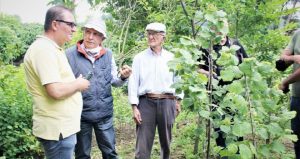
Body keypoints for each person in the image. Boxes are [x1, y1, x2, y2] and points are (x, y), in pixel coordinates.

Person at [23, 5, 90, 159]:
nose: (74, 29)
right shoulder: (44, 50)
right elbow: (55, 90)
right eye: (70, 24)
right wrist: (79, 84)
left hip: (62, 128)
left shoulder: (52, 49)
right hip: (57, 129)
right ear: (55, 24)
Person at [65, 16, 132, 159]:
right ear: (83, 33)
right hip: (80, 114)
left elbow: (114, 81)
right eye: (88, 32)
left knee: (110, 153)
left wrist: (123, 77)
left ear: (102, 38)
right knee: (82, 154)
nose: (90, 37)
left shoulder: (108, 55)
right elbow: (64, 84)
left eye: (95, 34)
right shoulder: (70, 55)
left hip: (104, 114)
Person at [128, 22, 182, 159]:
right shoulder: (139, 58)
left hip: (168, 102)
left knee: (166, 142)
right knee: (142, 146)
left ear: (163, 37)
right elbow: (133, 83)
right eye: (149, 34)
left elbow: (179, 81)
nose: (151, 37)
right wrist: (134, 107)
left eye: (155, 34)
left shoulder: (173, 58)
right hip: (146, 103)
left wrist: (178, 101)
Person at [198, 20, 248, 158]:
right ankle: (224, 156)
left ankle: (237, 155)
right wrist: (209, 73)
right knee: (220, 130)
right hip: (216, 96)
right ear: (212, 28)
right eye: (216, 26)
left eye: (223, 25)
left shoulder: (235, 44)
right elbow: (197, 68)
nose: (220, 29)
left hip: (235, 95)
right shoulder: (207, 47)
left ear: (228, 27)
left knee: (237, 128)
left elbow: (247, 65)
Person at [279, 29, 300, 159]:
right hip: (297, 96)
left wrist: (285, 82)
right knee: (297, 139)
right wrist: (294, 57)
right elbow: (283, 58)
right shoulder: (298, 33)